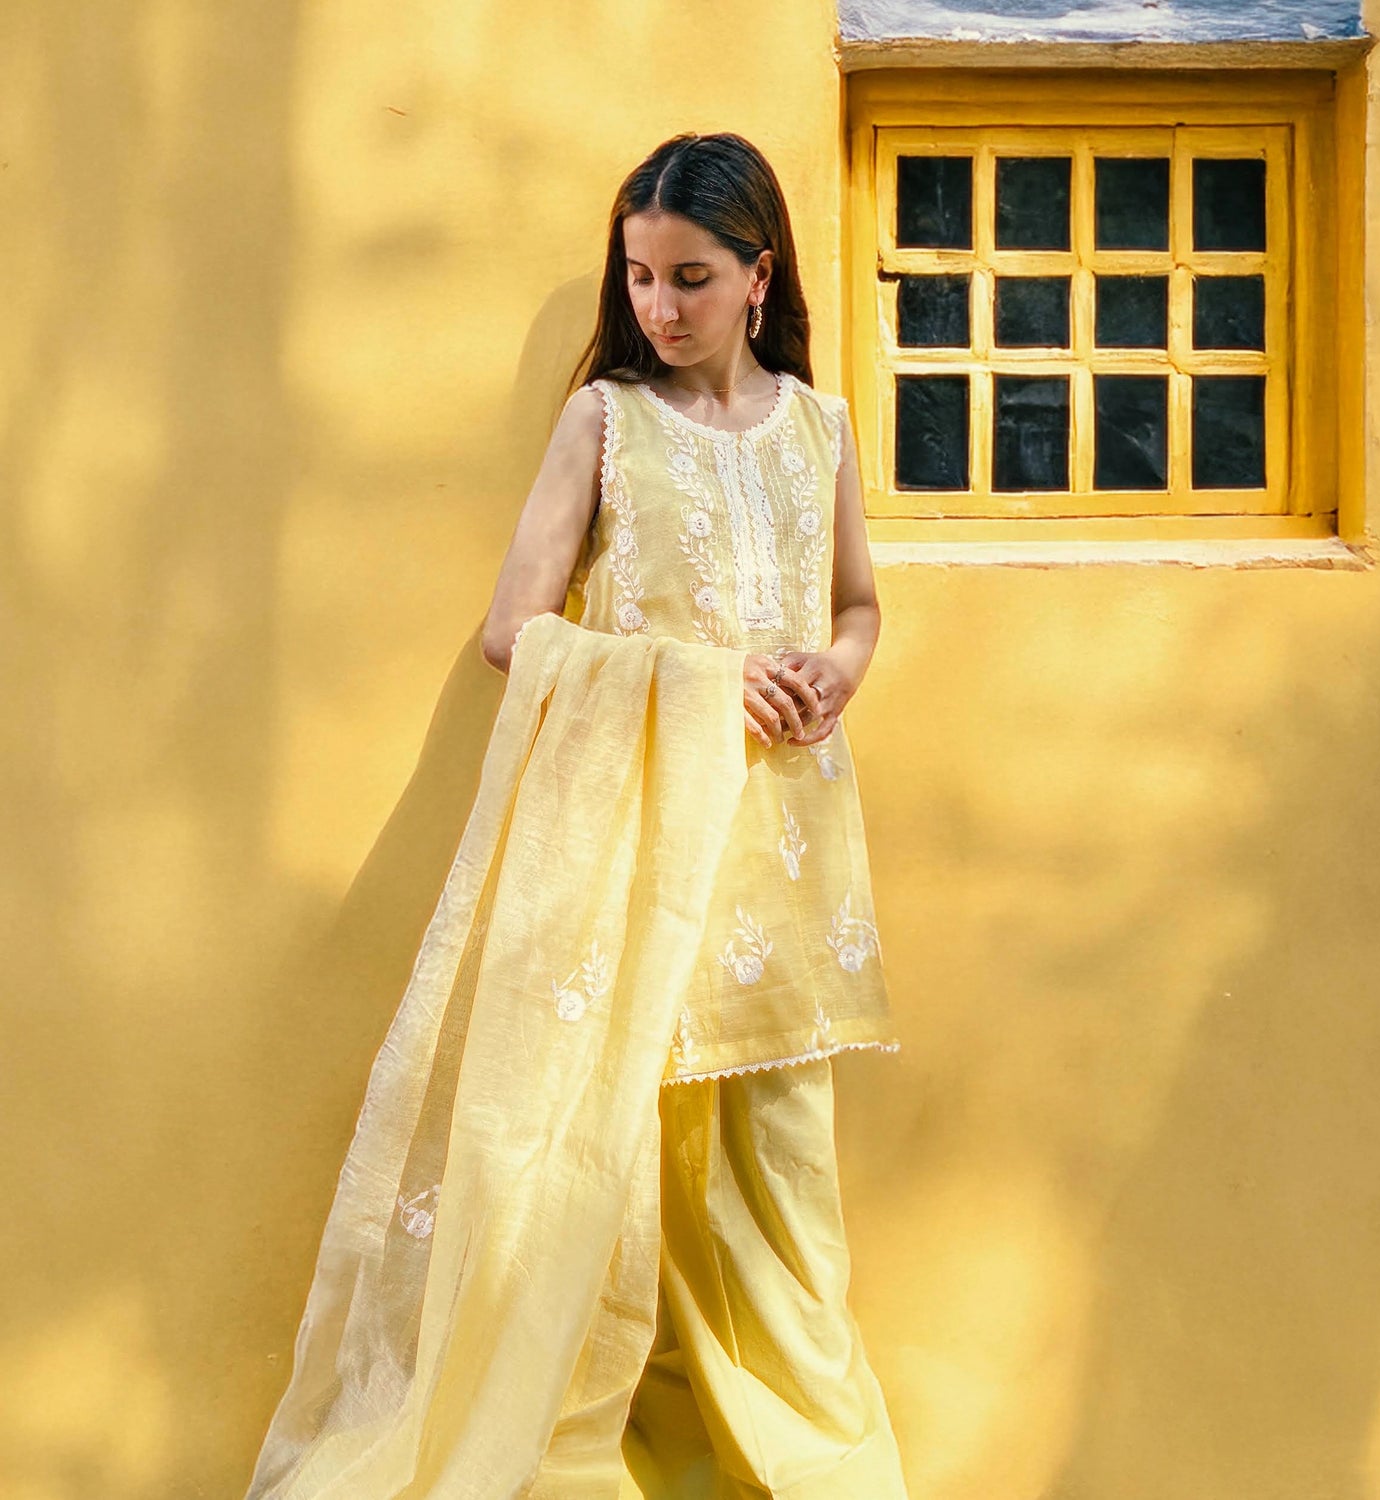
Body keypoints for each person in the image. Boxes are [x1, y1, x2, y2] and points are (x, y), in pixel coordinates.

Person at [242, 132, 906, 1500]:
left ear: (760, 276)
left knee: (783, 1204)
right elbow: (512, 631)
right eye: (642, 276)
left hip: (779, 863)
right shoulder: (607, 420)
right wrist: (708, 681)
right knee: (593, 1189)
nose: (660, 306)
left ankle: (809, 1473)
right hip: (626, 861)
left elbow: (855, 604)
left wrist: (833, 674)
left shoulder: (820, 429)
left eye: (693, 278)